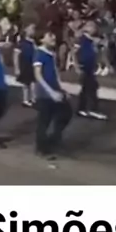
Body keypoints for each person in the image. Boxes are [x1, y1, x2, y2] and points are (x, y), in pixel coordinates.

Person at [34, 30, 72, 160]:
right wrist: (50, 92)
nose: (53, 37)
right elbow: (38, 75)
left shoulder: (51, 54)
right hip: (45, 94)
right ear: (41, 39)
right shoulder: (39, 53)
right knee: (44, 122)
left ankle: (53, 139)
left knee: (66, 114)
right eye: (49, 36)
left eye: (53, 35)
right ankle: (41, 148)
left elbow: (56, 74)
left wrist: (62, 90)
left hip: (55, 91)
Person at [74, 21, 108, 120]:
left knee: (86, 88)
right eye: (91, 26)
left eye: (94, 26)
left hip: (91, 66)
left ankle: (82, 108)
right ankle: (92, 109)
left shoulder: (94, 40)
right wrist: (76, 66)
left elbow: (100, 49)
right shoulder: (81, 39)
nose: (94, 28)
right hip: (83, 66)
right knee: (91, 87)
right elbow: (74, 53)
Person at [14, 23, 37, 108]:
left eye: (34, 29)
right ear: (25, 30)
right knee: (26, 84)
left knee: (34, 83)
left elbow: (36, 52)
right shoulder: (21, 42)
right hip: (24, 65)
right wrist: (17, 68)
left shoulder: (33, 42)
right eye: (31, 29)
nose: (33, 31)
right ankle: (25, 100)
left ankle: (34, 99)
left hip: (32, 65)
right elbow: (16, 55)